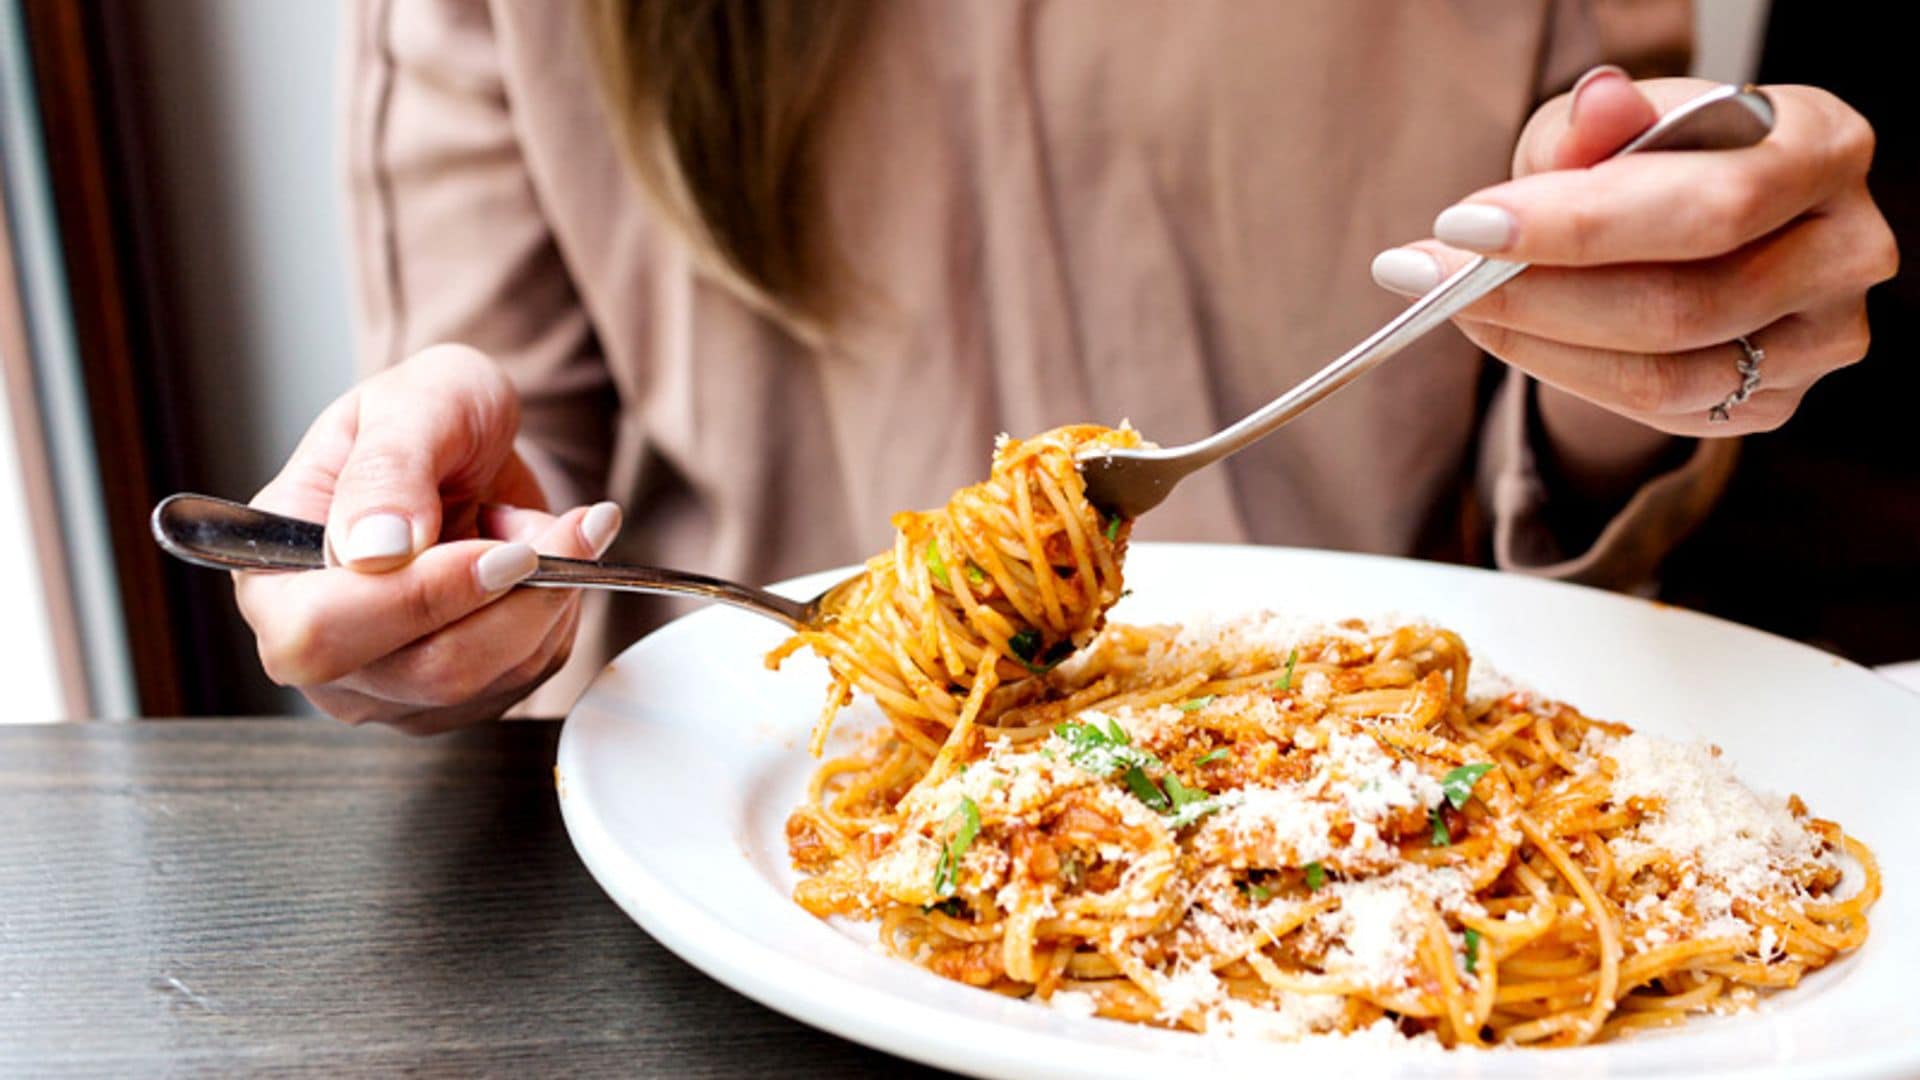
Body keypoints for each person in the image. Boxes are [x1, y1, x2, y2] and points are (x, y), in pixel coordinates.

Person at [236, 1, 1894, 734]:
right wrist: (435, 590)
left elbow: (1569, 459)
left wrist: (1656, 329)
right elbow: (504, 475)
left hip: (1368, 794)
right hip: (750, 842)